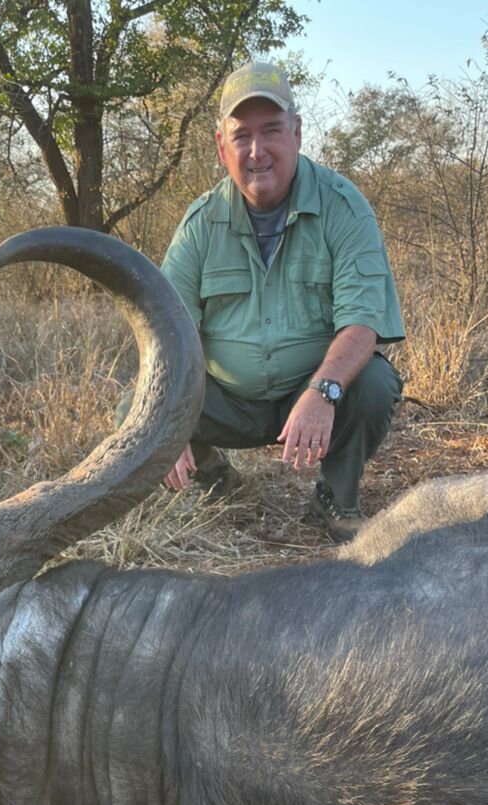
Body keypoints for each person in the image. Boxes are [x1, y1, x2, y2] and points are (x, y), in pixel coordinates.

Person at [158, 60, 405, 542]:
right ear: (220, 146)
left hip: (309, 390)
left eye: (271, 130)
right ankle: (213, 477)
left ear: (297, 132)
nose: (257, 151)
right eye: (241, 135)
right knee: (138, 407)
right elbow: (166, 335)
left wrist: (323, 392)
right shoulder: (199, 224)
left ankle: (336, 494)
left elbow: (362, 324)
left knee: (374, 383)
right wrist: (166, 428)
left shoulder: (344, 206)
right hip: (226, 401)